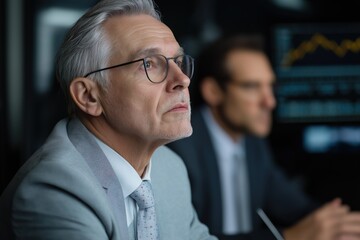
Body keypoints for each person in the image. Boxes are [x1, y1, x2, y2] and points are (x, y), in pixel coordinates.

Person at [0, 0, 217, 239]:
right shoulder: (53, 189)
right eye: (148, 64)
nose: (182, 80)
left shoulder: (170, 167)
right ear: (89, 96)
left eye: (177, 62)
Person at [167, 35, 360, 240]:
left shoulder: (252, 144)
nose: (270, 102)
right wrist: (290, 237)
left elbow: (298, 209)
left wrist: (340, 225)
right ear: (213, 91)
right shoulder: (179, 149)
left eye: (271, 87)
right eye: (252, 86)